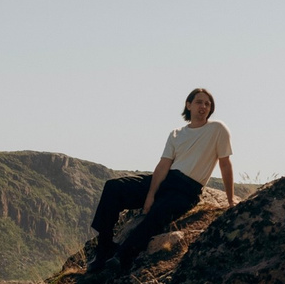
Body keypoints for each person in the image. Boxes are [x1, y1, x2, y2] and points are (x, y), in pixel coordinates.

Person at [88, 88, 236, 270]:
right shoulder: (176, 133)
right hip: (167, 179)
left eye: (208, 103)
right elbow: (163, 165)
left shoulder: (217, 129)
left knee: (158, 213)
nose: (203, 106)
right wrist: (151, 194)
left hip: (188, 188)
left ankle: (121, 257)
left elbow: (225, 164)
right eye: (199, 102)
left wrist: (230, 200)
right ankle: (103, 249)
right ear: (188, 105)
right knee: (114, 187)